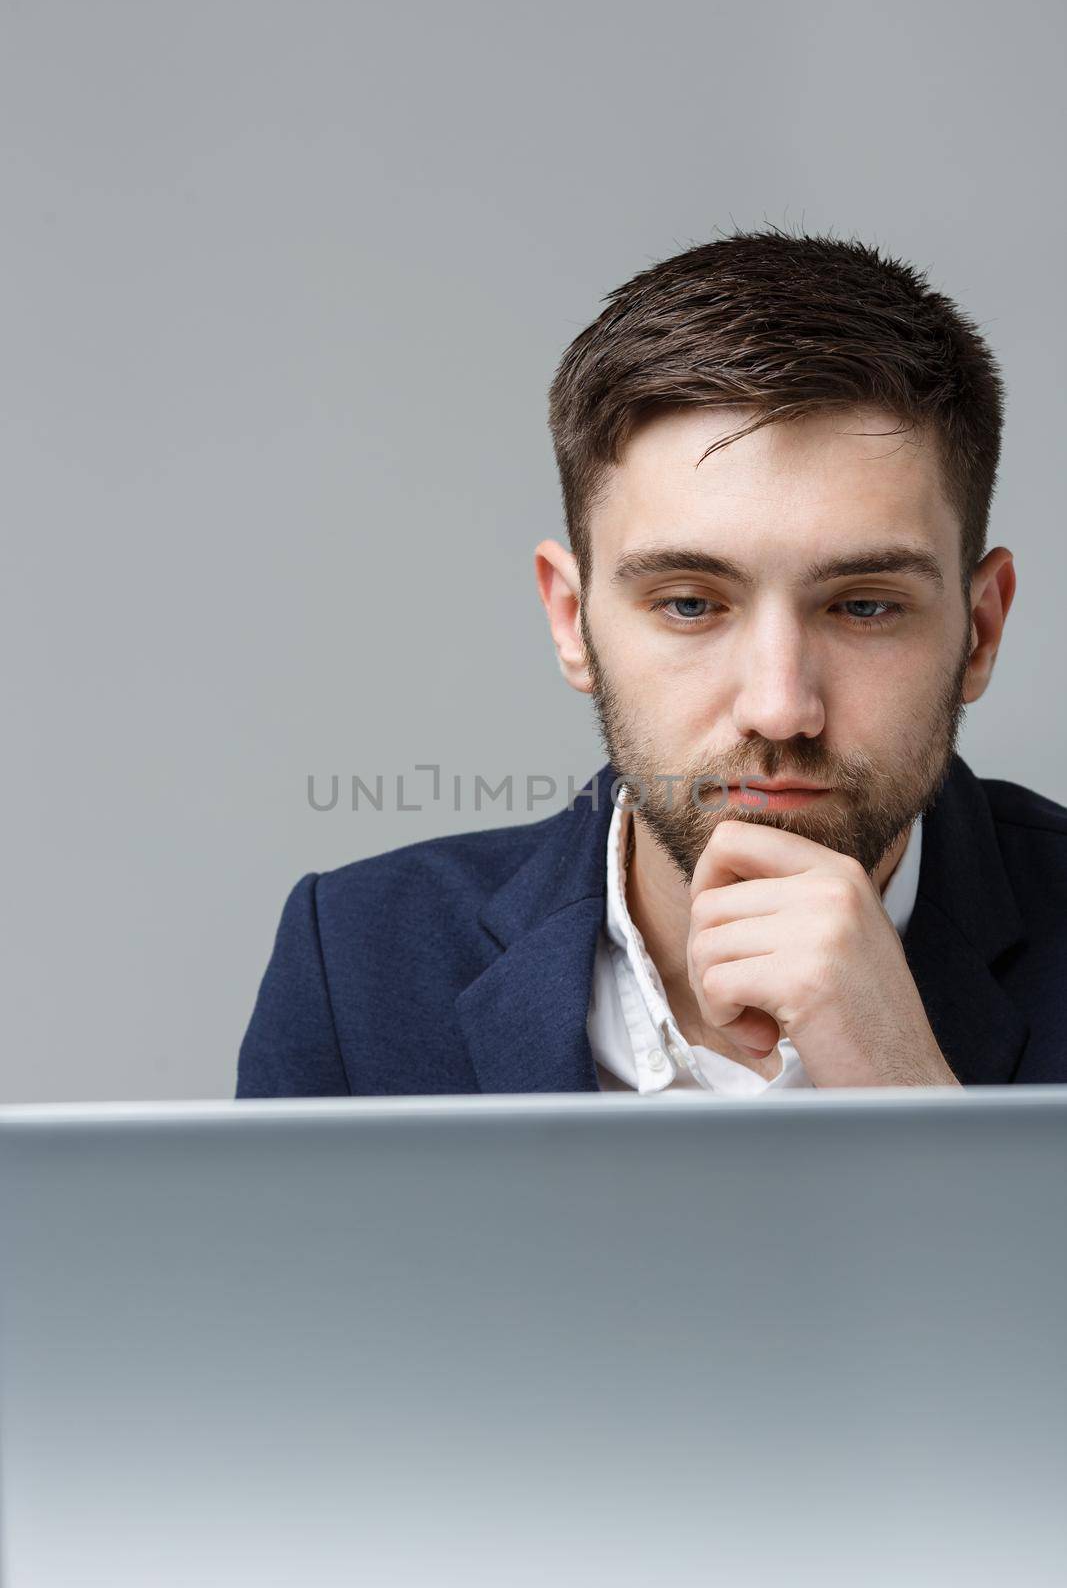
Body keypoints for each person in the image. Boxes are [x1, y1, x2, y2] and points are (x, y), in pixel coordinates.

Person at [236, 229, 1067, 1098]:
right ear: (571, 620)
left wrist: (909, 1096)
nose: (780, 710)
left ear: (979, 630)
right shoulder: (356, 963)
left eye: (863, 606)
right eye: (688, 604)